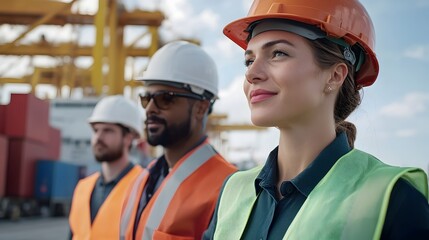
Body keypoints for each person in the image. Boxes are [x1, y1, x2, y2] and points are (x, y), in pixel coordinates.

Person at [203, 0, 429, 239]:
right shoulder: (233, 191)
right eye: (249, 60)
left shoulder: (393, 200)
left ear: (334, 75)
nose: (251, 74)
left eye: (278, 53)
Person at [119, 41, 237, 240]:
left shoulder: (229, 188)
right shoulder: (142, 180)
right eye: (146, 98)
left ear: (201, 107)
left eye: (165, 98)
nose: (150, 109)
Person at [69, 95, 144, 239]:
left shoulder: (144, 187)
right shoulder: (82, 188)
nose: (98, 138)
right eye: (96, 130)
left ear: (129, 138)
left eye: (108, 130)